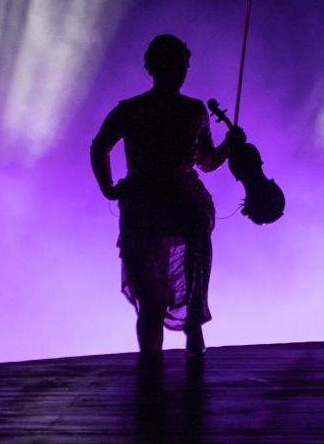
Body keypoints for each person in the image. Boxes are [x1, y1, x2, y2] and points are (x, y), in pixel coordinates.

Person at [91, 34, 236, 356]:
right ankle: (183, 334)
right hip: (153, 203)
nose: (179, 72)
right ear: (153, 68)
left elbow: (206, 160)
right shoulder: (136, 109)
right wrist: (109, 187)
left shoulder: (189, 110)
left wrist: (229, 145)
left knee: (192, 251)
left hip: (164, 201)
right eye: (173, 65)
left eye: (182, 66)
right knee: (153, 287)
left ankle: (187, 329)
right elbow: (99, 147)